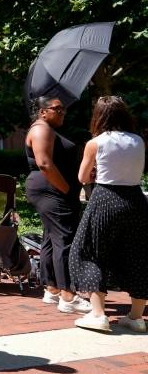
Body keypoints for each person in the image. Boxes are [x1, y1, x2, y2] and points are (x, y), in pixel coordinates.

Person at [69, 96, 148, 333]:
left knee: (88, 252)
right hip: (136, 200)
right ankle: (136, 317)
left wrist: (94, 171)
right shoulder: (139, 141)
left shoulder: (96, 143)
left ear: (99, 116)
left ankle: (98, 314)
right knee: (137, 255)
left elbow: (82, 178)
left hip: (105, 199)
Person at [25, 96, 91, 314]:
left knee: (52, 240)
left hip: (49, 189)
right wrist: (66, 188)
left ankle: (52, 289)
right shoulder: (41, 129)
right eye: (57, 108)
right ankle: (68, 297)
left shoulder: (46, 128)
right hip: (52, 190)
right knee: (65, 239)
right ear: (43, 111)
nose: (63, 112)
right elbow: (44, 163)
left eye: (63, 108)